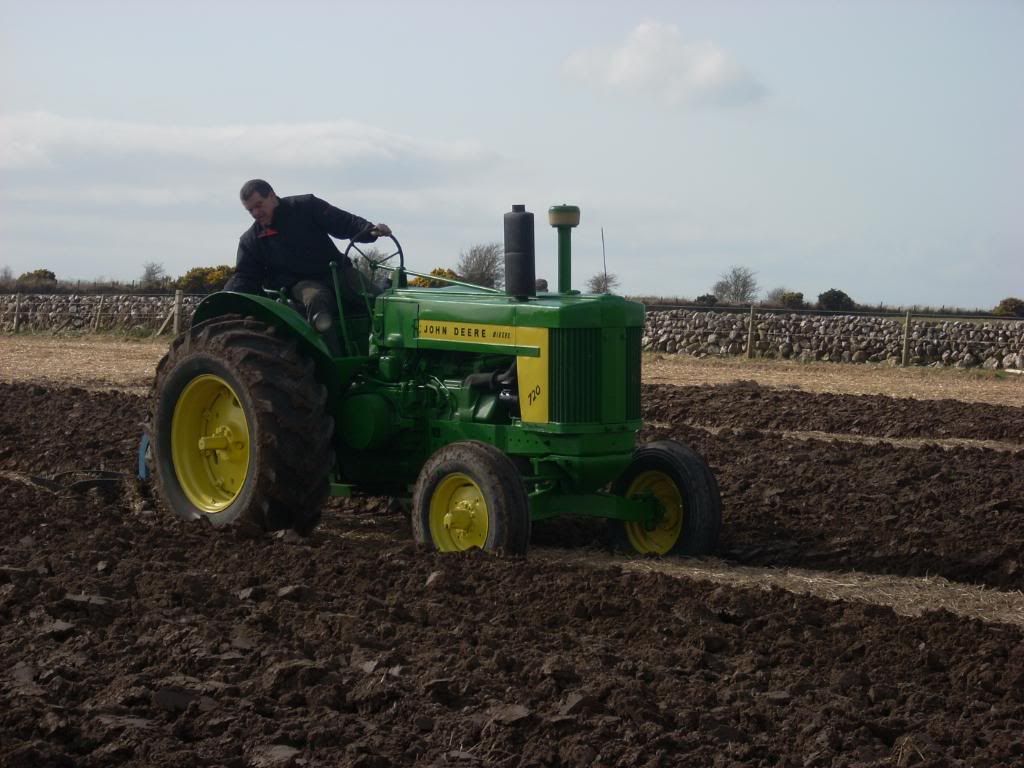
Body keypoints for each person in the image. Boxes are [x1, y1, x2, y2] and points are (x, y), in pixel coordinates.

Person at [224, 179, 391, 353]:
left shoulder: (305, 206)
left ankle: (387, 350)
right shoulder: (251, 240)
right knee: (316, 298)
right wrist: (228, 302)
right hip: (300, 283)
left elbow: (342, 221)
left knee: (378, 298)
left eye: (259, 205)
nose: (256, 213)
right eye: (250, 209)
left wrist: (369, 230)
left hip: (335, 271)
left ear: (272, 196)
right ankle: (333, 360)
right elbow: (245, 276)